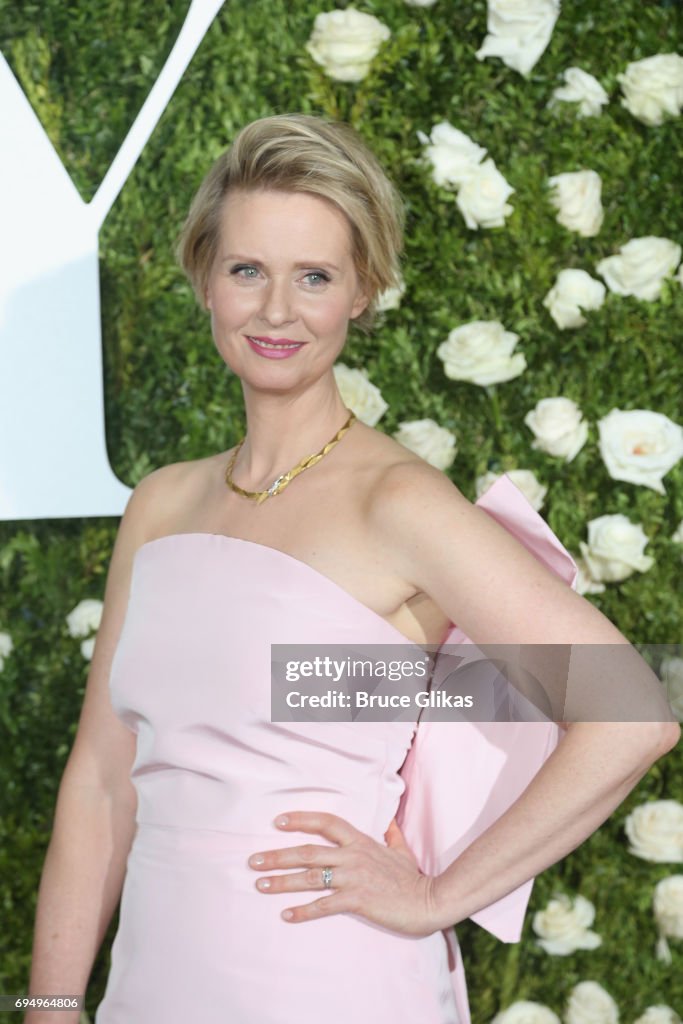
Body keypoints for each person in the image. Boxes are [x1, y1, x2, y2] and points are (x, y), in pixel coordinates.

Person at [26, 113, 679, 1024]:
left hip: (329, 983)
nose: (277, 311)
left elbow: (633, 711)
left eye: (316, 277)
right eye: (247, 269)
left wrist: (434, 896)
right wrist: (52, 1006)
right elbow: (100, 776)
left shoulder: (397, 503)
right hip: (153, 988)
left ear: (361, 293)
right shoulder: (160, 505)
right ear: (204, 278)